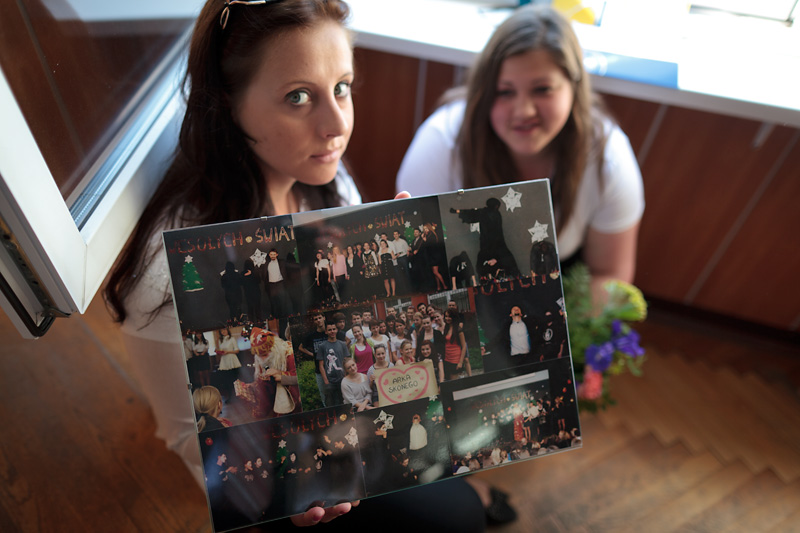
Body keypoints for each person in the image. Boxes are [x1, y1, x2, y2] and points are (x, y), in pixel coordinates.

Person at [102, 0, 500, 527]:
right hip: (280, 476)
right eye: (298, 96)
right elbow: (188, 435)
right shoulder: (166, 269)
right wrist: (289, 493)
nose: (336, 125)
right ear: (228, 103)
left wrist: (395, 276)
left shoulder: (325, 186)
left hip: (353, 421)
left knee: (457, 491)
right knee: (459, 515)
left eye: (342, 87)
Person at [396, 5, 644, 301]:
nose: (524, 111)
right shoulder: (440, 144)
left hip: (559, 296)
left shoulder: (608, 158)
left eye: (542, 89)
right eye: (505, 92)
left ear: (574, 86)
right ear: (484, 92)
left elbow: (611, 277)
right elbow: (419, 271)